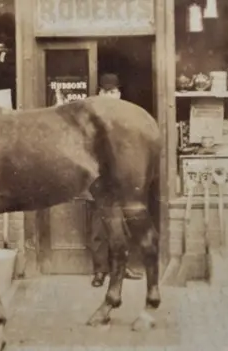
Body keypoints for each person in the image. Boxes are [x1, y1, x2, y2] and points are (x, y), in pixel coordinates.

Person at [90, 73, 144, 288]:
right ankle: (99, 271)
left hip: (121, 178)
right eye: (107, 91)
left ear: (119, 93)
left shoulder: (126, 116)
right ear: (100, 93)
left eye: (114, 91)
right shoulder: (93, 117)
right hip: (99, 178)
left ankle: (121, 268)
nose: (112, 95)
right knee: (99, 229)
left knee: (122, 226)